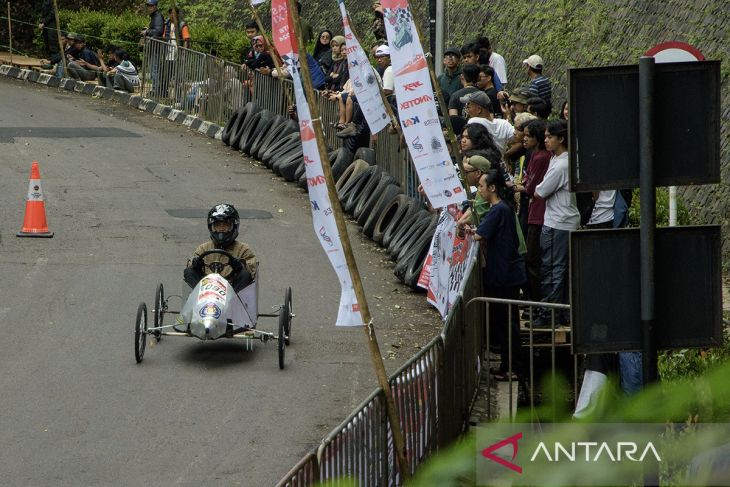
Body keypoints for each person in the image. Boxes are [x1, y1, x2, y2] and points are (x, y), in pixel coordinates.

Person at [468, 170, 526, 380]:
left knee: (508, 325)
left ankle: (513, 368)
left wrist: (467, 229)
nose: (480, 189)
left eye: (482, 186)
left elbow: (479, 235)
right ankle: (506, 365)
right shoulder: (501, 209)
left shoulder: (499, 210)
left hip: (505, 275)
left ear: (492, 188)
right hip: (503, 273)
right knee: (504, 324)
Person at [534, 120, 579, 326]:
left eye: (549, 137)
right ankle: (560, 313)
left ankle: (548, 315)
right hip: (564, 219)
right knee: (559, 268)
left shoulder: (561, 164)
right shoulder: (561, 160)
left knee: (553, 268)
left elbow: (540, 191)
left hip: (557, 222)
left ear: (561, 138)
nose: (546, 141)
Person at [513, 119, 550, 302]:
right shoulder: (532, 155)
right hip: (531, 209)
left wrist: (520, 188)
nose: (524, 139)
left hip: (539, 213)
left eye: (528, 135)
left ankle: (535, 301)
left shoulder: (542, 157)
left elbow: (532, 186)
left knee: (532, 259)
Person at [184, 204, 257, 293]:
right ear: (212, 227)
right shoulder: (203, 249)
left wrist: (239, 267)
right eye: (218, 225)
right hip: (206, 292)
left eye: (225, 225)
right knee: (188, 271)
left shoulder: (244, 250)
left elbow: (251, 272)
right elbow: (190, 268)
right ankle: (198, 295)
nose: (221, 229)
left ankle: (231, 300)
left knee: (245, 274)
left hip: (232, 293)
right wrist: (196, 266)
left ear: (233, 226)